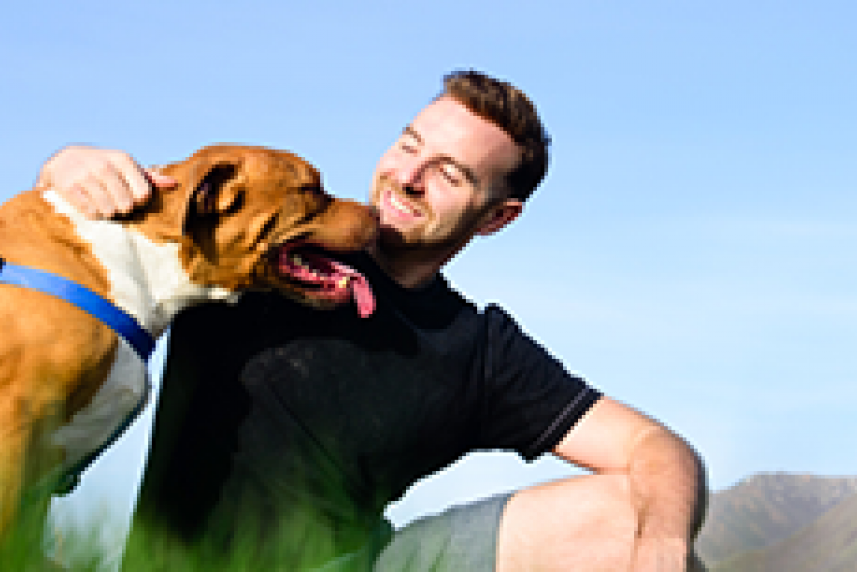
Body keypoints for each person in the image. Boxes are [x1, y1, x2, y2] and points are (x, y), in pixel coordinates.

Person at [39, 70, 707, 571]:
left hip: (356, 565)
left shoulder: (480, 351)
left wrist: (661, 546)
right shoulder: (262, 236)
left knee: (631, 516)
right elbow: (80, 241)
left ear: (496, 217)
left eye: (447, 174)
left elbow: (654, 450)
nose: (405, 177)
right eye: (407, 144)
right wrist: (70, 165)